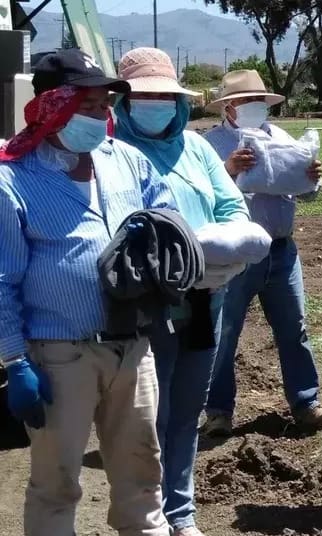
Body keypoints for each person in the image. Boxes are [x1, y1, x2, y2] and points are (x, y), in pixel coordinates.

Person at [0, 48, 173, 536]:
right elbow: (2, 279)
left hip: (133, 349)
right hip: (60, 358)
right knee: (56, 485)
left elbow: (165, 211)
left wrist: (160, 241)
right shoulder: (13, 178)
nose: (101, 116)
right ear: (53, 106)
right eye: (88, 105)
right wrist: (15, 362)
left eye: (104, 105)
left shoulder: (126, 161)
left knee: (143, 478)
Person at [113, 47, 250, 536]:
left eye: (164, 95)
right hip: (141, 309)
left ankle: (182, 511)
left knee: (188, 409)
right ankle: (147, 513)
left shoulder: (195, 149)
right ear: (123, 102)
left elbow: (234, 210)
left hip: (204, 299)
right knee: (150, 415)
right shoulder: (108, 153)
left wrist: (212, 253)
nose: (155, 103)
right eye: (143, 95)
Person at [201, 69, 322, 436]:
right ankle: (218, 411)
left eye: (258, 102)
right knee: (225, 330)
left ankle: (306, 403)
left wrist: (314, 178)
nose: (254, 107)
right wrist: (229, 169)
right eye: (246, 102)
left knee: (294, 327)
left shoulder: (282, 138)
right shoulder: (210, 145)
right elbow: (200, 193)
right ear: (228, 107)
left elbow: (306, 192)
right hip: (234, 253)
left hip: (282, 249)